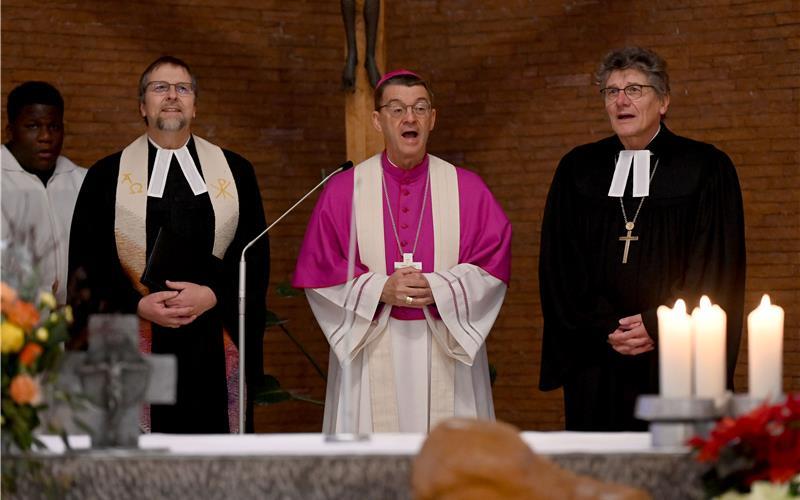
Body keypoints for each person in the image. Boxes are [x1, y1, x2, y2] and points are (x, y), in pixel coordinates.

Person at [538, 46, 746, 431]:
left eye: (634, 89)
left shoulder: (705, 167)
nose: (621, 100)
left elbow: (716, 266)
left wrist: (658, 323)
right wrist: (605, 326)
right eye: (611, 91)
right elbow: (559, 267)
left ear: (663, 100)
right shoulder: (578, 169)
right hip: (599, 355)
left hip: (676, 357)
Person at [293, 70, 511, 433]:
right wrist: (381, 289)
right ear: (378, 120)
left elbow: (493, 263)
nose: (409, 118)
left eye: (420, 108)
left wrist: (441, 289)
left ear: (432, 119)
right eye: (397, 109)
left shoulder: (467, 189)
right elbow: (321, 270)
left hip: (444, 343)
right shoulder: (345, 190)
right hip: (372, 342)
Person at [68, 56, 269, 433]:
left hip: (212, 338)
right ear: (143, 105)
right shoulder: (105, 176)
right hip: (134, 335)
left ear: (195, 105)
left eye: (183, 88)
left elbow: (254, 256)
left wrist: (213, 295)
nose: (172, 96)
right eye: (160, 88)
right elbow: (87, 264)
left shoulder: (237, 172)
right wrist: (137, 304)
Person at [1, 81, 86, 305]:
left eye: (54, 126)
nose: (46, 136)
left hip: (72, 323)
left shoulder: (83, 181)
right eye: (33, 126)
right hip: (13, 326)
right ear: (10, 131)